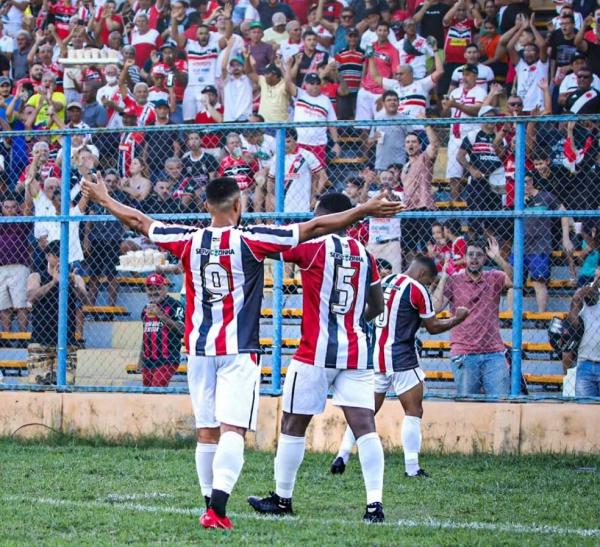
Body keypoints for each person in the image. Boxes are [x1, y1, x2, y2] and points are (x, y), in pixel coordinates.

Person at [81, 174, 403, 530]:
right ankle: (218, 510)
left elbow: (139, 221)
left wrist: (103, 198)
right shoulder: (253, 241)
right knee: (234, 430)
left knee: (207, 430)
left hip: (201, 349)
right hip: (246, 350)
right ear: (239, 205)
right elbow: (315, 227)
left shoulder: (187, 240)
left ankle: (216, 502)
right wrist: (364, 210)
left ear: (205, 206)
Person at [247, 193, 387, 523]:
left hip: (314, 352)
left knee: (293, 424)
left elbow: (276, 245)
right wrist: (350, 321)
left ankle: (282, 499)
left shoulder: (313, 248)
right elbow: (377, 307)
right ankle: (374, 505)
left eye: (316, 218)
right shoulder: (366, 256)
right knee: (365, 427)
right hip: (356, 352)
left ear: (325, 218)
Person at [331, 255, 469, 478]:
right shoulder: (417, 289)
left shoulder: (387, 280)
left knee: (366, 411)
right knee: (413, 411)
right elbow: (432, 326)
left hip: (376, 356)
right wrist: (457, 319)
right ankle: (412, 468)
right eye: (429, 281)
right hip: (402, 358)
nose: (428, 285)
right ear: (423, 275)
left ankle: (342, 455)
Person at [432, 238, 513, 396]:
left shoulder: (494, 277)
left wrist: (498, 257)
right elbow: (435, 308)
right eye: (470, 254)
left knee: (500, 403)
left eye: (479, 255)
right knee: (467, 406)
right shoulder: (454, 280)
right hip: (464, 352)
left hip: (493, 353)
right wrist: (443, 276)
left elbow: (517, 280)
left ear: (484, 258)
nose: (474, 258)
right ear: (465, 257)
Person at [26, 240, 87, 385]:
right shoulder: (37, 276)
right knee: (38, 387)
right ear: (48, 256)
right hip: (41, 340)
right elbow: (31, 296)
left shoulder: (75, 277)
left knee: (65, 386)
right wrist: (53, 282)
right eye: (56, 255)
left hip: (67, 341)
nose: (60, 258)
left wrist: (73, 283)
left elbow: (85, 299)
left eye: (63, 255)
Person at [139, 273, 185, 387]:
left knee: (157, 390)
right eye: (150, 289)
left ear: (165, 288)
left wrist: (160, 315)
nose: (153, 292)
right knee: (147, 394)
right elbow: (145, 336)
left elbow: (182, 330)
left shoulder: (175, 305)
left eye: (157, 288)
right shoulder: (146, 308)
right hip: (148, 361)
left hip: (167, 359)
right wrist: (140, 360)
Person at [0, 195, 31, 331]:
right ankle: (6, 336)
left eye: (13, 207)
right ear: (2, 208)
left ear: (17, 207)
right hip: (1, 267)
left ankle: (22, 336)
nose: (10, 210)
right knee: (3, 305)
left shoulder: (22, 220)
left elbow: (28, 208)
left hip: (19, 266)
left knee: (21, 304)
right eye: (6, 207)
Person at [568, 271, 600, 396]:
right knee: (585, 410)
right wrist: (576, 301)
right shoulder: (587, 291)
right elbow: (573, 325)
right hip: (586, 363)